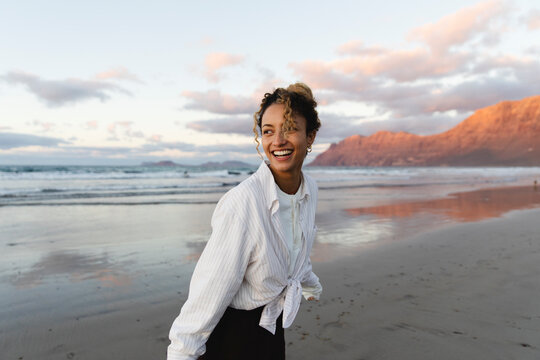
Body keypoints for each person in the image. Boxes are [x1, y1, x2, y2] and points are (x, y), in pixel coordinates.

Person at [167, 83, 323, 360]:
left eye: (289, 128)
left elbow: (297, 248)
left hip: (272, 329)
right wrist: (181, 354)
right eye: (268, 131)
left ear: (310, 136)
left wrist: (310, 284)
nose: (278, 141)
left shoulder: (308, 190)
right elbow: (209, 292)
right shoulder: (243, 203)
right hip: (231, 339)